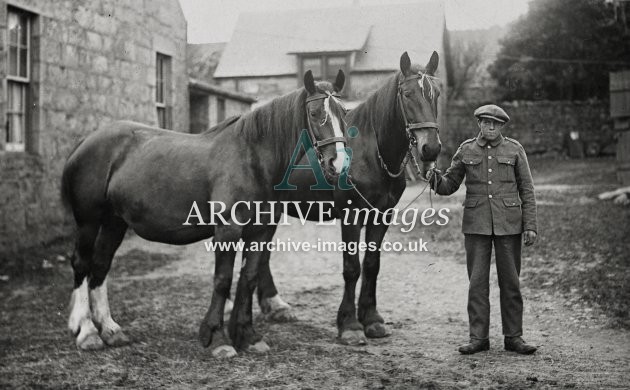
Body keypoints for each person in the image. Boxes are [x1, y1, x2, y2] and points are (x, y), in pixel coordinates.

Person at [427, 104, 538, 355]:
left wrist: (530, 225)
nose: (490, 127)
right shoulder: (466, 149)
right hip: (476, 225)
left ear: (502, 126)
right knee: (477, 284)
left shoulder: (515, 149)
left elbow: (527, 190)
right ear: (479, 123)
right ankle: (479, 338)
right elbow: (449, 184)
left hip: (509, 225)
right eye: (486, 122)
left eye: (495, 124)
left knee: (511, 283)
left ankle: (514, 337)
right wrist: (433, 177)